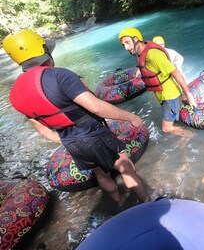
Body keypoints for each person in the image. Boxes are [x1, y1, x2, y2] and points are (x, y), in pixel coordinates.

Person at [3, 29, 147, 205]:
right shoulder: (59, 75)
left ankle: (120, 202)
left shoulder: (15, 95)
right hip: (95, 133)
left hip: (71, 142)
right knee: (126, 168)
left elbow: (44, 132)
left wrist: (70, 140)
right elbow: (95, 106)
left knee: (101, 174)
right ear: (44, 51)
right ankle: (146, 201)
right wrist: (130, 117)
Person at [118, 27, 197, 136]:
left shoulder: (153, 55)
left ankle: (190, 135)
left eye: (127, 42)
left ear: (136, 39)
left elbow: (176, 73)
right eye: (123, 45)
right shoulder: (141, 52)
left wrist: (188, 94)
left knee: (166, 129)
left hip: (170, 96)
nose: (126, 47)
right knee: (172, 118)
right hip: (164, 95)